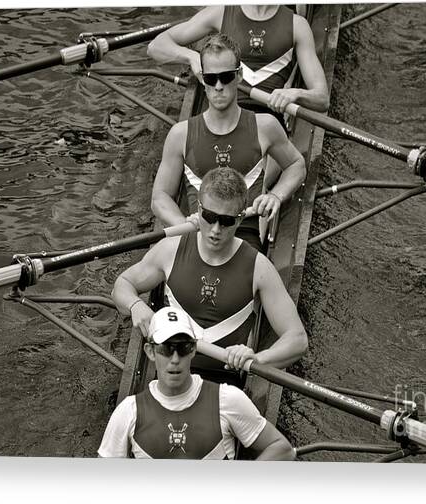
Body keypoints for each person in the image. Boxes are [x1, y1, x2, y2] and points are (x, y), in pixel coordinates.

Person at [113, 167, 308, 381]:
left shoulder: (259, 268)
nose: (215, 230)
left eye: (225, 221)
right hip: (171, 376)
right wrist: (135, 305)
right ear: (198, 209)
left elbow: (297, 339)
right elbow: (122, 284)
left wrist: (257, 359)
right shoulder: (169, 250)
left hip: (224, 383)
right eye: (209, 216)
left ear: (241, 219)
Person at [151, 33, 306, 251]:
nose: (218, 86)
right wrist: (182, 224)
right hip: (198, 235)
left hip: (244, 237)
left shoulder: (265, 126)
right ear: (202, 79)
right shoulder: (180, 134)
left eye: (226, 77)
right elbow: (160, 197)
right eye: (211, 79)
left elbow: (296, 165)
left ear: (240, 76)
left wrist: (276, 196)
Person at [98, 307, 295, 460]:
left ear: (193, 350)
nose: (175, 359)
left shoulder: (228, 399)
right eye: (166, 349)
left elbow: (283, 450)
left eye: (183, 348)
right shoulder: (128, 412)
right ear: (150, 352)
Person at [147, 4, 329, 115]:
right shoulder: (220, 13)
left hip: (267, 119)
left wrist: (296, 94)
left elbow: (321, 99)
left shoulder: (297, 25)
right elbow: (156, 47)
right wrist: (192, 57)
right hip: (222, 113)